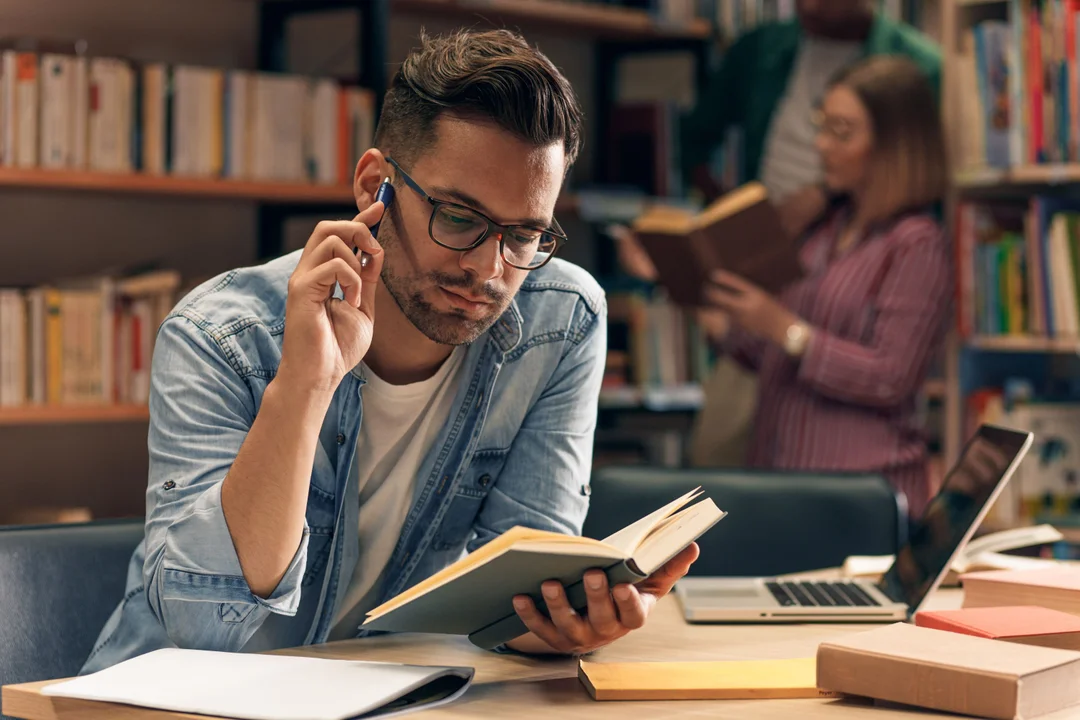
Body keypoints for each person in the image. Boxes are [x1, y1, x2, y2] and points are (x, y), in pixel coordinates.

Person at [81, 27, 698, 673]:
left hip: (386, 693)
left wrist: (566, 624)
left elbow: (513, 598)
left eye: (524, 234)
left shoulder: (561, 320)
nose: (490, 270)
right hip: (180, 700)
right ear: (374, 183)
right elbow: (201, 626)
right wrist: (305, 384)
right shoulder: (218, 335)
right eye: (459, 218)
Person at [700, 55, 953, 519]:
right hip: (783, 486)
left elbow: (892, 377)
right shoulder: (823, 231)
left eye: (842, 132)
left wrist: (786, 330)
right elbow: (770, 356)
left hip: (859, 500)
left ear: (894, 145)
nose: (821, 146)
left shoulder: (916, 243)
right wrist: (722, 316)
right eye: (822, 127)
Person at [616, 0, 942, 277]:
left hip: (857, 246)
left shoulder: (917, 65)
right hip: (764, 244)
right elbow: (693, 138)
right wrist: (723, 218)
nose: (810, 6)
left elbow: (919, 166)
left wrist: (825, 197)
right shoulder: (759, 49)